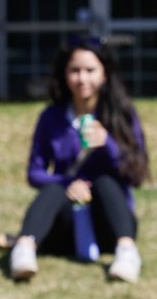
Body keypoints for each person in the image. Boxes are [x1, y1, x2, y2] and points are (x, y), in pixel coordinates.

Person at [8, 38, 149, 283]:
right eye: (75, 71)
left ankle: (127, 252)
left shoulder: (122, 114)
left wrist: (108, 144)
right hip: (66, 222)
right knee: (53, 189)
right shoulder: (52, 117)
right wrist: (69, 183)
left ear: (105, 74)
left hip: (110, 220)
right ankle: (24, 249)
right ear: (64, 74)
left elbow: (137, 174)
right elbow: (35, 173)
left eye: (90, 70)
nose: (82, 79)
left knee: (105, 182)